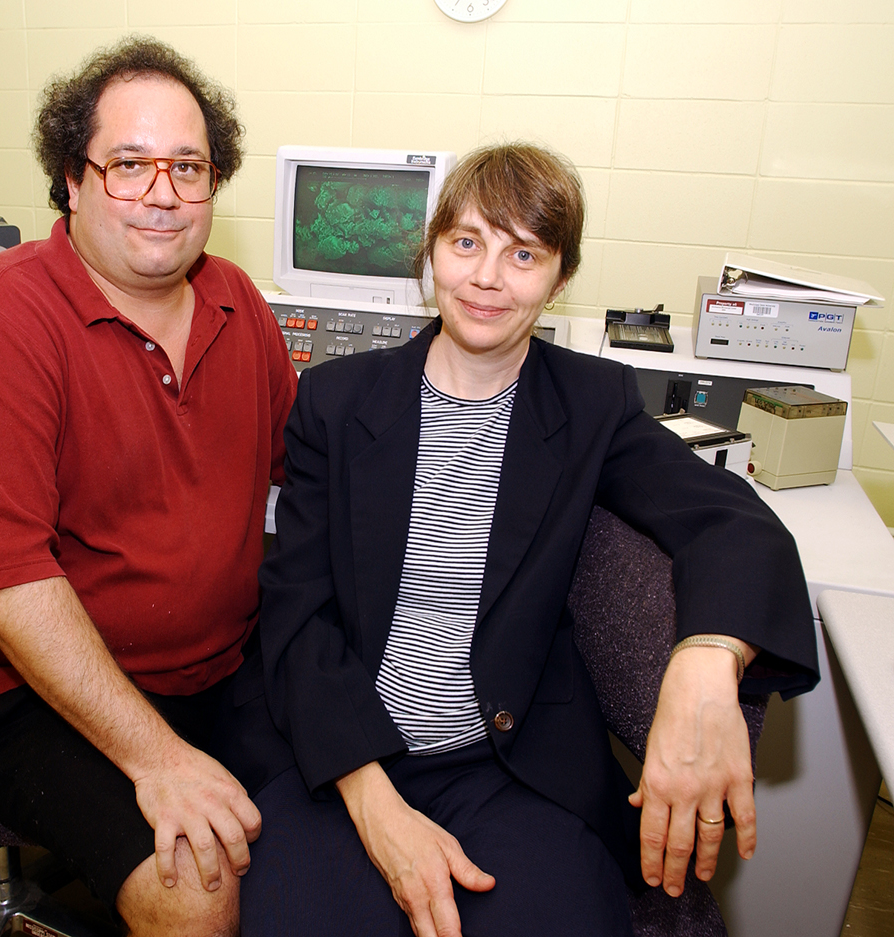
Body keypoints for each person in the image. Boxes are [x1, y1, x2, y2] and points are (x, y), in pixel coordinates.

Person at [216, 143, 820, 937]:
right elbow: (297, 610)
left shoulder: (591, 402)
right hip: (343, 752)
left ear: (560, 276)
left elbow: (730, 518)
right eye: (465, 242)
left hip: (511, 767)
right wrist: (372, 803)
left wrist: (705, 660)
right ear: (431, 251)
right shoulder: (336, 400)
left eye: (523, 253)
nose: (486, 277)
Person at [0, 36, 298, 936]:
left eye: (188, 167)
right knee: (195, 892)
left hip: (217, 666)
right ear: (70, 181)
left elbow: (306, 478)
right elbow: (2, 577)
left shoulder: (238, 301)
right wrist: (156, 756)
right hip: (24, 691)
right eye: (129, 165)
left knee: (348, 826)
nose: (163, 192)